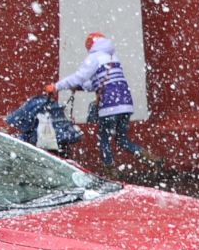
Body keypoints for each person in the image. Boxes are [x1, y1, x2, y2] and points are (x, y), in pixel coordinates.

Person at [49, 32, 145, 169]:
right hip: (126, 104)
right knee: (122, 140)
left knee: (104, 141)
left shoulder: (94, 57)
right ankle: (151, 159)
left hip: (110, 105)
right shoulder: (113, 57)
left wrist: (56, 87)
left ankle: (110, 173)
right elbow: (97, 83)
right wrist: (80, 87)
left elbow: (79, 77)